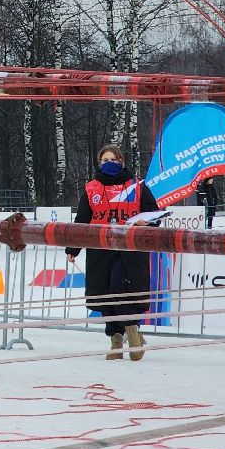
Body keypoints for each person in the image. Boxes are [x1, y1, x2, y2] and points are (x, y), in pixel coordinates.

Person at [66, 145, 161, 360]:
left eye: (113, 159)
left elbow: (154, 212)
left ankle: (131, 329)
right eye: (105, 159)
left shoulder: (137, 186)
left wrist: (148, 221)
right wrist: (73, 248)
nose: (109, 162)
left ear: (121, 161)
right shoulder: (92, 188)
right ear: (100, 163)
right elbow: (81, 220)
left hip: (130, 249)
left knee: (123, 287)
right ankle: (115, 338)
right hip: (101, 250)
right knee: (106, 292)